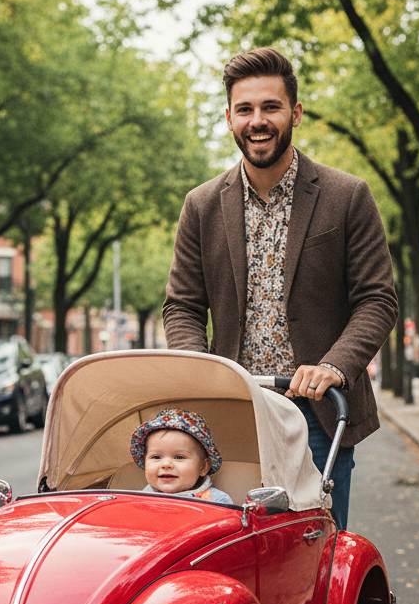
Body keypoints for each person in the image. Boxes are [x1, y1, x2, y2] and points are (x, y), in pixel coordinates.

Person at [162, 47, 398, 530]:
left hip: (317, 416)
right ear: (229, 118)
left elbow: (377, 299)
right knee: (232, 552)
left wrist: (335, 365)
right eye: (245, 110)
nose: (258, 121)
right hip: (234, 413)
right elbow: (183, 305)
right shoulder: (202, 205)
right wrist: (201, 371)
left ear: (295, 111)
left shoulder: (345, 196)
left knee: (316, 558)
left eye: (270, 107)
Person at [130, 408, 233, 504]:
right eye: (156, 457)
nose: (166, 464)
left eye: (179, 457)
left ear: (203, 467)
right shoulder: (140, 499)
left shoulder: (216, 501)